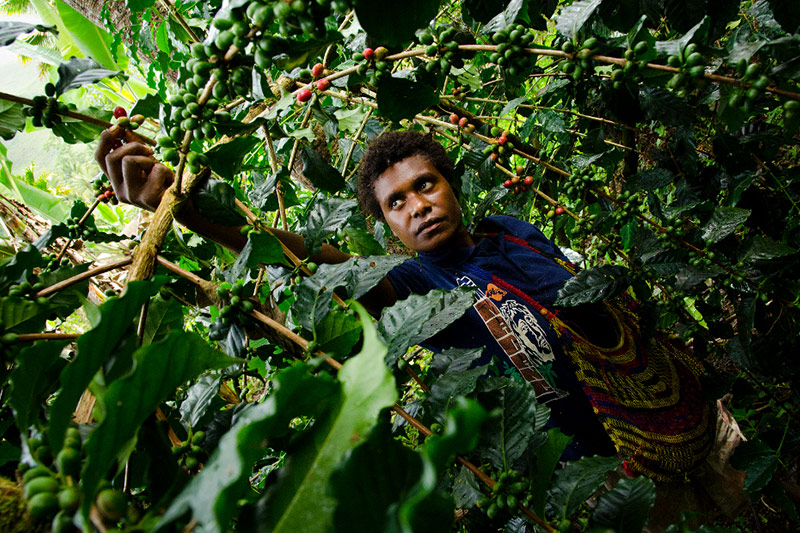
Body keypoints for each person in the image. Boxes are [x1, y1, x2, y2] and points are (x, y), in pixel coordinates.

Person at [96, 127, 714, 475]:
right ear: (386, 227)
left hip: (685, 413)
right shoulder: (415, 287)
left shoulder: (511, 228)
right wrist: (194, 208)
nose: (418, 205)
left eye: (426, 184)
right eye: (396, 203)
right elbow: (319, 261)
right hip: (601, 478)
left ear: (452, 185)